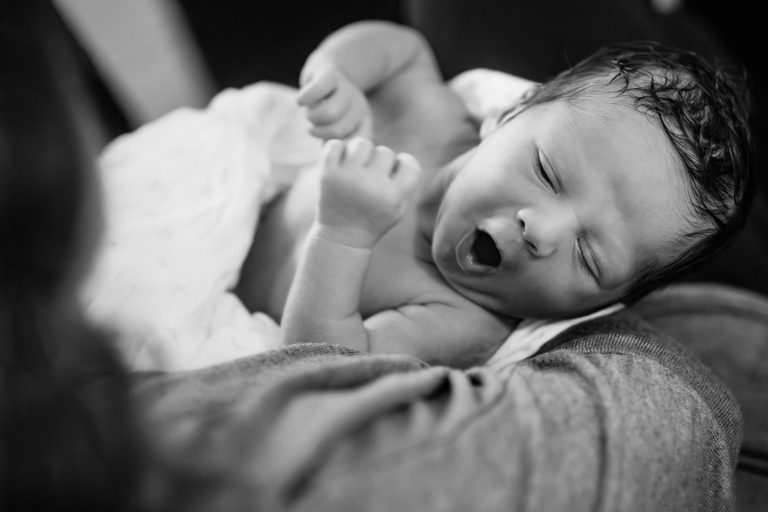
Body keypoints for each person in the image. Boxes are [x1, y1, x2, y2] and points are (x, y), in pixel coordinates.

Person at [232, 21, 753, 368]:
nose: (542, 231)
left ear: (603, 305)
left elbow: (322, 369)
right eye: (547, 171)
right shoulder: (433, 122)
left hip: (218, 306)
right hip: (230, 206)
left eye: (591, 258)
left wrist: (343, 235)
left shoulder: (461, 320)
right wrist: (336, 72)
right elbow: (400, 51)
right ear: (509, 114)